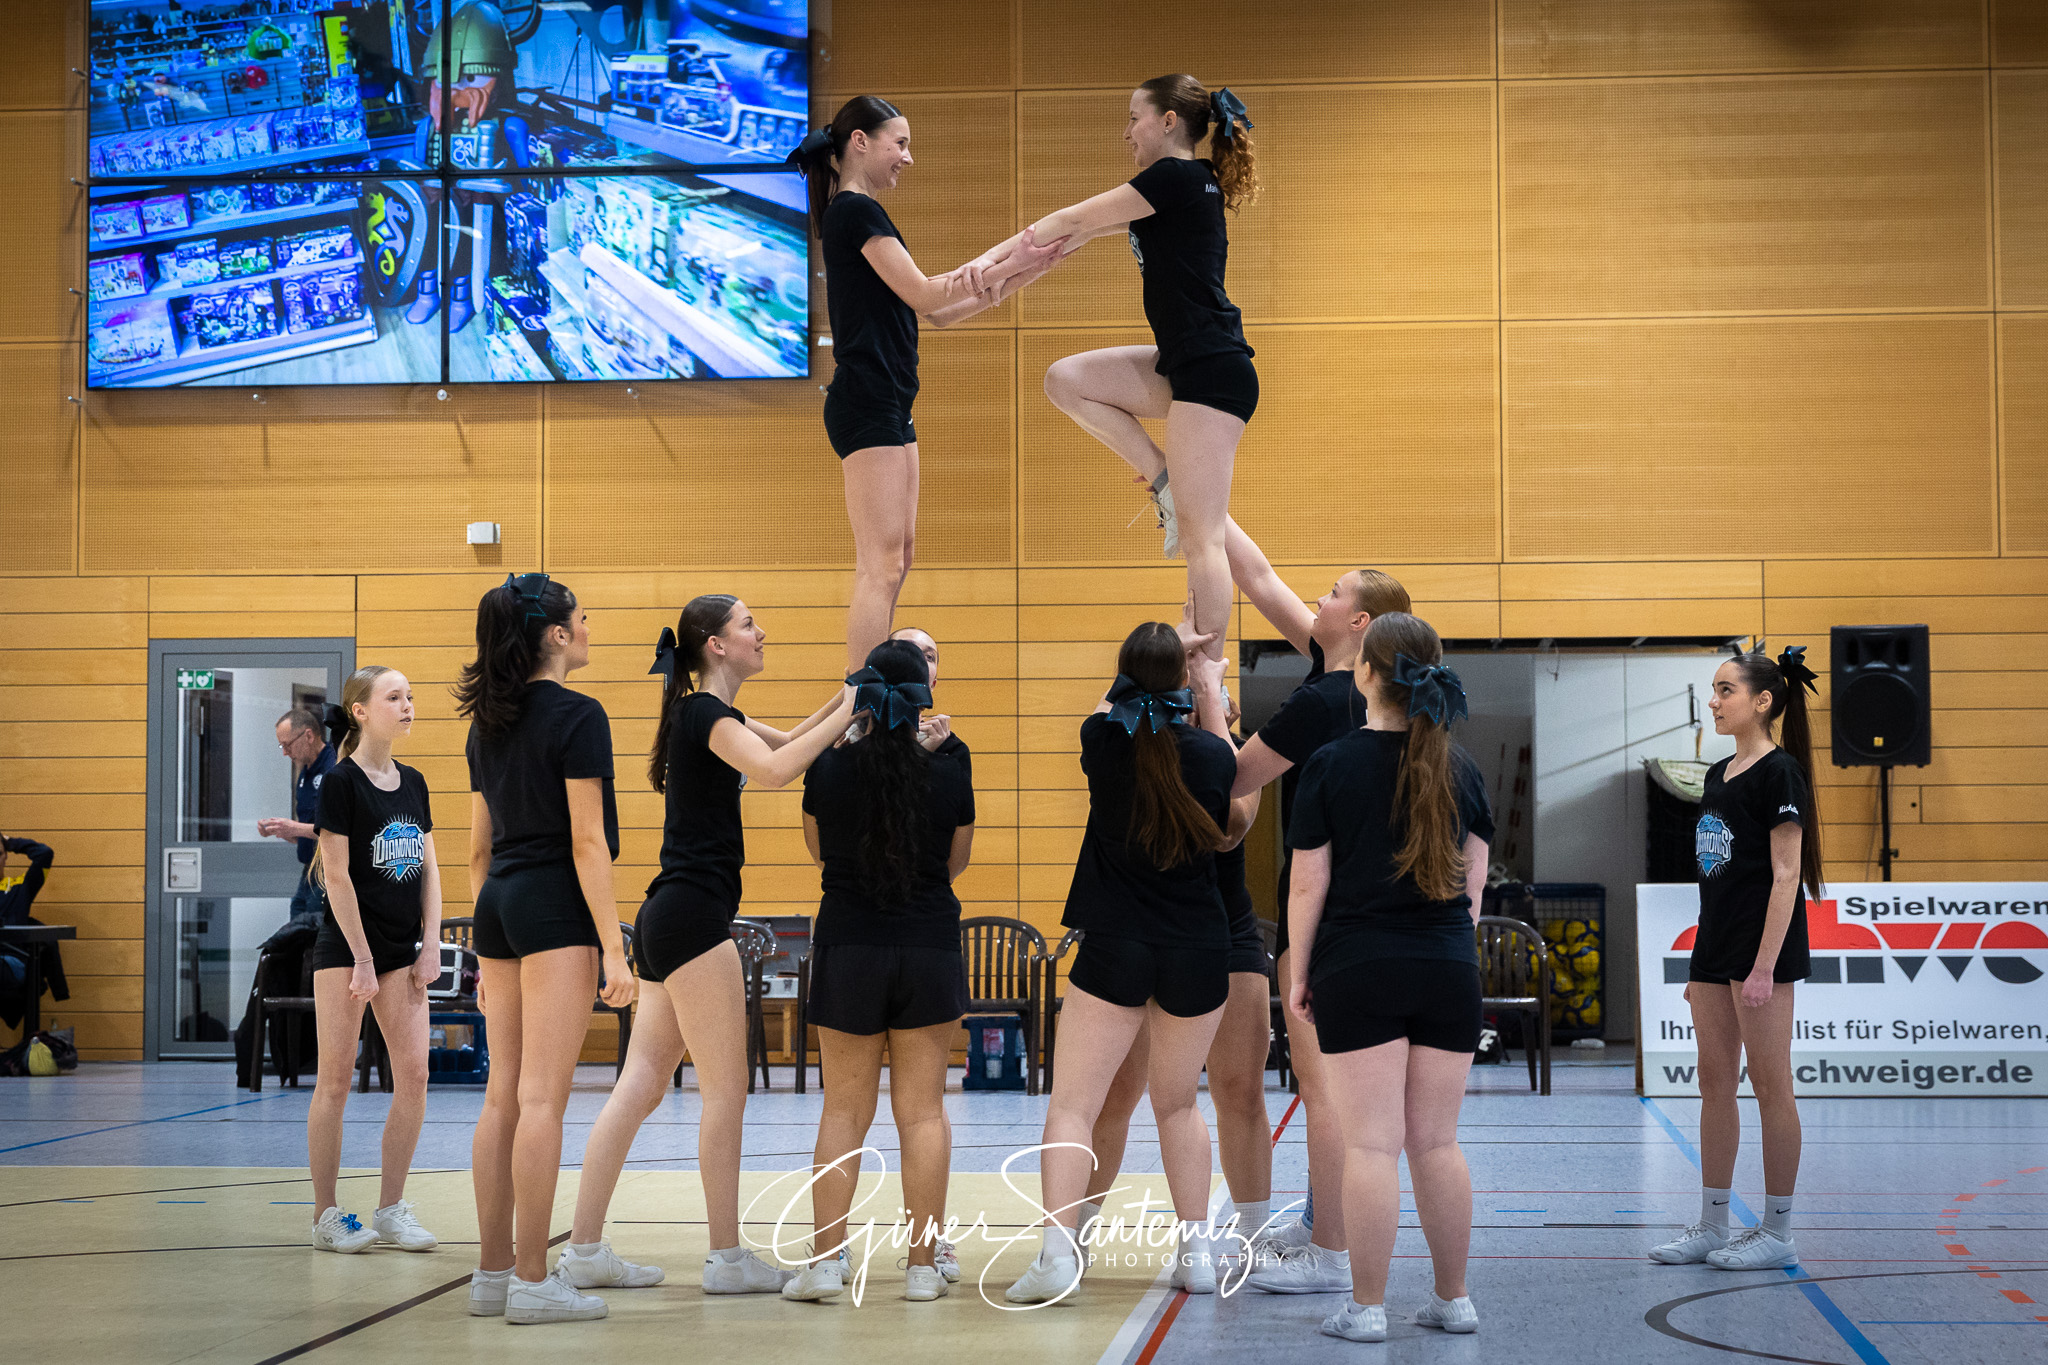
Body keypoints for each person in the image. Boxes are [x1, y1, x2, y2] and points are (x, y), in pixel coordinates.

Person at [565, 595, 854, 1299]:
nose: (763, 631)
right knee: (726, 1092)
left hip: (669, 917)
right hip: (693, 921)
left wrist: (848, 700)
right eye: (750, 623)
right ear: (716, 645)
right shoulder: (701, 713)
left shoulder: (708, 714)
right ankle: (726, 1257)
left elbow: (786, 744)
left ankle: (583, 1247)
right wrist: (856, 708)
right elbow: (779, 773)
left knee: (640, 1085)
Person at [970, 75, 1258, 666]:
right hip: (1188, 365)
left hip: (1211, 373)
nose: (1126, 131)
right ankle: (1164, 481)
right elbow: (1071, 238)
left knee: (1204, 543)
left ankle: (1210, 678)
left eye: (1134, 118)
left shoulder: (1174, 176)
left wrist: (976, 268)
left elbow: (1068, 218)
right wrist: (1000, 281)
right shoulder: (1181, 186)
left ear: (1169, 122)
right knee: (1066, 379)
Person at [1007, 622, 1250, 1305]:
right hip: (1198, 944)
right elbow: (1232, 782)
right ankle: (1197, 1252)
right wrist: (1207, 685)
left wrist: (1164, 648)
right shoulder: (1211, 755)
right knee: (1178, 1103)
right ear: (1180, 682)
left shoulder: (1102, 742)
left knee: (1073, 1106)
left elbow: (1101, 708)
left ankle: (1058, 1255)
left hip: (1117, 940)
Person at [789, 98, 1065, 674]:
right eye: (901, 143)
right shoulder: (853, 211)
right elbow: (926, 293)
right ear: (860, 142)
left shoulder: (862, 214)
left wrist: (1025, 270)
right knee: (880, 565)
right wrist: (1008, 261)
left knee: (900, 558)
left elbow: (939, 313)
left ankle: (872, 694)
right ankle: (862, 705)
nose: (908, 158)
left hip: (888, 400)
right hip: (866, 399)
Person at [1282, 612, 1493, 1343]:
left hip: (1359, 965)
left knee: (1371, 1143)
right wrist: (1444, 953)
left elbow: (1309, 881)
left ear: (1367, 673)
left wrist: (1298, 971)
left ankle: (1366, 1307)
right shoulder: (1461, 767)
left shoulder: (1333, 763)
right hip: (1448, 968)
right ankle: (1454, 1298)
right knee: (1437, 1142)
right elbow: (1474, 888)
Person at [458, 573, 636, 1326]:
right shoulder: (577, 714)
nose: (590, 627)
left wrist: (477, 951)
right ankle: (534, 1278)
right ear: (556, 635)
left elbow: (475, 850)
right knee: (541, 1100)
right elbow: (588, 842)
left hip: (497, 906)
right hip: (554, 906)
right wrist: (615, 950)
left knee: (503, 1094)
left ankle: (493, 1272)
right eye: (582, 618)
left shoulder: (485, 723)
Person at [1229, 566, 1410, 1292]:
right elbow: (1260, 576)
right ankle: (1323, 1217)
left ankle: (1331, 1254)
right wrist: (1180, 491)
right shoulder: (1377, 699)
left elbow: (1235, 776)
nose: (1319, 600)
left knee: (1325, 1088)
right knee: (1345, 1093)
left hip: (1326, 925)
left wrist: (1211, 702)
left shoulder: (1320, 701)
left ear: (1362, 622)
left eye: (1335, 593)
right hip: (1385, 918)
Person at [782, 639, 976, 1304]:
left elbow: (817, 850)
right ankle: (923, 1264)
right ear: (923, 692)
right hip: (928, 943)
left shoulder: (830, 768)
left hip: (849, 946)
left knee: (843, 1110)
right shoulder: (953, 761)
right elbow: (957, 858)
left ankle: (827, 1261)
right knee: (922, 1113)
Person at [1072, 694, 1269, 1267]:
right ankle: (1076, 1232)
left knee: (1240, 1090)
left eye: (1222, 686)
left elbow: (1233, 827)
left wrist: (1217, 722)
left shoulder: (1228, 755)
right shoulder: (1128, 749)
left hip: (1223, 931)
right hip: (1139, 936)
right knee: (1114, 1096)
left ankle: (1251, 1241)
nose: (1220, 694)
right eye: (1201, 685)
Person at [1651, 646, 1823, 1272]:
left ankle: (1778, 1232)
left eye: (1726, 690)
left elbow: (1786, 877)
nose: (1715, 701)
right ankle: (1713, 1224)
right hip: (1714, 948)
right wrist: (1705, 965)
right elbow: (1715, 878)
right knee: (1714, 1082)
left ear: (1763, 701)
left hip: (1763, 952)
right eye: (1714, 690)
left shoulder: (1782, 774)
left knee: (1772, 1085)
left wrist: (1761, 968)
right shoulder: (1718, 774)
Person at [303, 666, 442, 1257]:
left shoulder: (414, 781)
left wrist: (431, 941)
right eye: (394, 697)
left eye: (410, 696)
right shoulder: (340, 782)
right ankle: (326, 1214)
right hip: (347, 952)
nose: (407, 706)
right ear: (360, 710)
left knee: (414, 1075)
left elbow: (430, 869)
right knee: (334, 1082)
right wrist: (361, 958)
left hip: (402, 953)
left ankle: (390, 1207)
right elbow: (336, 876)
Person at [258, 707, 337, 923]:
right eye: (281, 746)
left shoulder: (334, 768)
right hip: (308, 870)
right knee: (296, 929)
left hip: (328, 870)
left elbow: (337, 831)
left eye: (287, 745)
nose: (285, 752)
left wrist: (293, 827)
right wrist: (281, 831)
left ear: (308, 735)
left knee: (311, 936)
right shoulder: (305, 772)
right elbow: (309, 830)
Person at [890, 626, 970, 772]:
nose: (919, 660)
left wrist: (926, 754)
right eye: (907, 650)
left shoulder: (950, 749)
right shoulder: (847, 732)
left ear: (932, 684)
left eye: (929, 657)